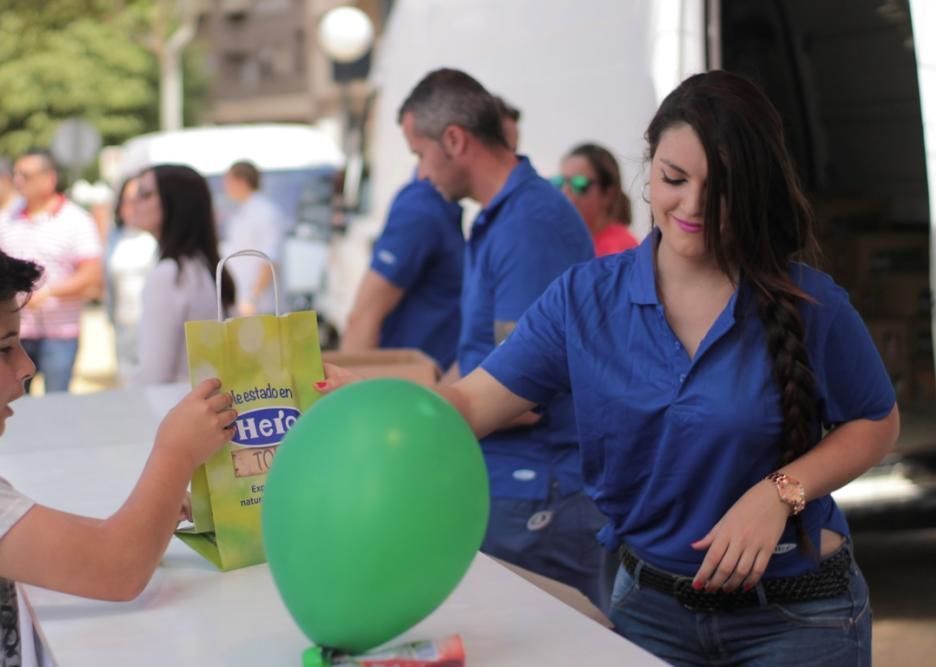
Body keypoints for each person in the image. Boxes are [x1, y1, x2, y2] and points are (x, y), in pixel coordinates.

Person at [322, 70, 899, 665]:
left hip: (798, 618)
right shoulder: (584, 299)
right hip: (650, 614)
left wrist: (781, 493)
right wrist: (368, 400)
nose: (693, 206)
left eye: (720, 187)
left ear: (754, 189)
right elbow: (471, 404)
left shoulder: (811, 304)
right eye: (674, 179)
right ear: (649, 169)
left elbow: (878, 424)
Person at [0, 232, 237, 667]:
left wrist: (150, 516)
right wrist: (176, 452)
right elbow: (117, 568)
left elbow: (93, 549)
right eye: (4, 348)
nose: (27, 366)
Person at [396, 68, 609, 609]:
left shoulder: (529, 225)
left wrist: (400, 411)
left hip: (537, 493)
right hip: (510, 488)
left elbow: (523, 397)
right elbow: (478, 358)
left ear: (454, 140)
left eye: (419, 154)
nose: (420, 174)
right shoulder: (500, 219)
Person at [0, 149, 103, 393]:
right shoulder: (6, 218)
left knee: (57, 406)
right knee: (15, 405)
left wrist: (50, 292)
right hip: (17, 332)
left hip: (60, 334)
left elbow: (91, 274)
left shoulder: (76, 220)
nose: (18, 181)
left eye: (26, 175)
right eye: (16, 175)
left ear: (49, 179)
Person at [340, 175, 464, 371]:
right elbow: (363, 317)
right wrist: (351, 398)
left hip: (436, 383)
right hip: (409, 386)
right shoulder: (420, 209)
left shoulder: (445, 205)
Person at [129, 164, 235, 385]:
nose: (134, 202)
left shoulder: (169, 275)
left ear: (176, 203)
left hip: (176, 407)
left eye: (145, 194)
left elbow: (154, 374)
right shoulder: (204, 265)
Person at [104, 177, 157, 383]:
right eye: (128, 200)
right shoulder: (116, 237)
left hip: (151, 326)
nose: (134, 206)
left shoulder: (158, 239)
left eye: (141, 198)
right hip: (124, 325)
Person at [221, 160, 288, 316]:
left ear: (242, 182)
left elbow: (270, 260)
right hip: (245, 305)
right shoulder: (240, 213)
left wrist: (252, 299)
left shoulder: (266, 212)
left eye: (229, 182)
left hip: (262, 308)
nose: (225, 188)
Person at [553, 143, 638, 257]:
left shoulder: (617, 251)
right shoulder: (577, 243)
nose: (565, 192)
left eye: (579, 184)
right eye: (560, 182)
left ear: (608, 193)